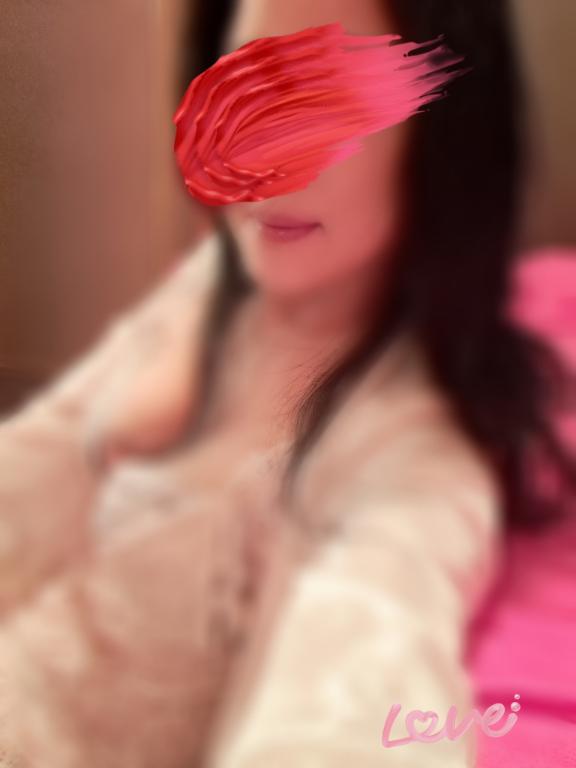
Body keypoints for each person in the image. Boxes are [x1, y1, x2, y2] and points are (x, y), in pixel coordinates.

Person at [0, 1, 574, 767]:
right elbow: (36, 460)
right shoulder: (211, 289)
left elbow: (367, 653)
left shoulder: (405, 453)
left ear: (444, 138)